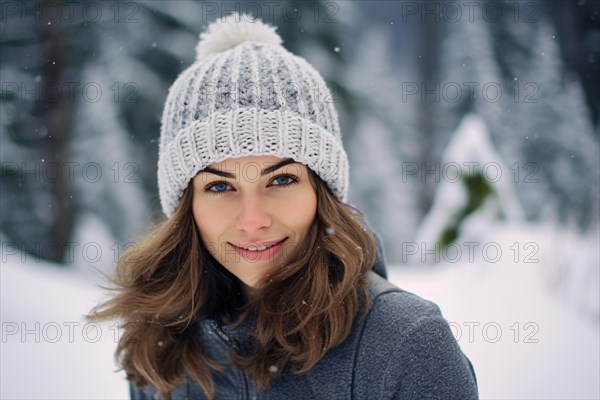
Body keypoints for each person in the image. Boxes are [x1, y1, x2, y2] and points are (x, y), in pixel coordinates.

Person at [88, 12, 479, 400]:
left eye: (281, 180)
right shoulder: (162, 342)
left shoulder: (406, 344)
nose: (253, 219)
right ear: (187, 207)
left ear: (320, 192)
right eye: (220, 186)